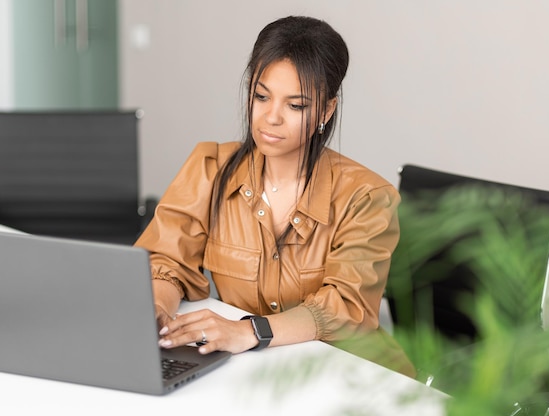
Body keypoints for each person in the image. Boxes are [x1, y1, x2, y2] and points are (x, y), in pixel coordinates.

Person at [135, 15, 415, 377]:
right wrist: (157, 308)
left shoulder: (366, 197)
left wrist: (250, 331)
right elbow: (167, 262)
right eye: (261, 96)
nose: (271, 118)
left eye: (295, 105)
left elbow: (346, 308)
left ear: (326, 110)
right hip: (260, 374)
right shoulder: (210, 168)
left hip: (353, 375)